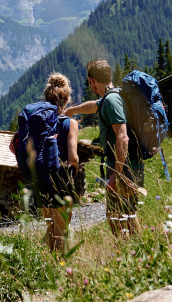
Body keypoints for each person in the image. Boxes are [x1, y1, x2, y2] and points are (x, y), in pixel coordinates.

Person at [65, 59, 142, 237]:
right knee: (123, 214)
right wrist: (73, 110)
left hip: (124, 167)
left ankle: (131, 252)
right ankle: (134, 251)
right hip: (125, 164)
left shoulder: (111, 101)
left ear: (92, 81)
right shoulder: (111, 96)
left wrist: (117, 173)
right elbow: (95, 106)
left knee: (121, 216)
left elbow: (122, 137)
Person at [39, 72, 80, 251]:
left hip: (41, 180)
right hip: (62, 181)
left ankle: (48, 269)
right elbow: (73, 157)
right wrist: (76, 170)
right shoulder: (70, 124)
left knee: (50, 229)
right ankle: (60, 272)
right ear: (67, 100)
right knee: (61, 230)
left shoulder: (38, 122)